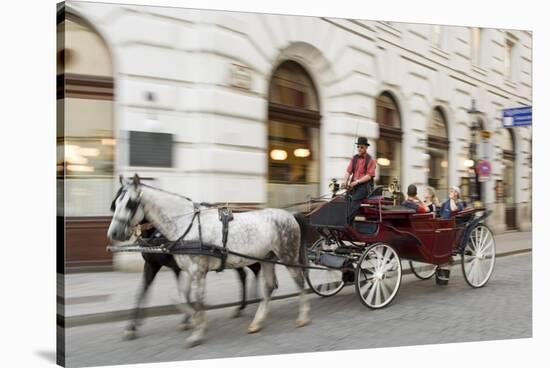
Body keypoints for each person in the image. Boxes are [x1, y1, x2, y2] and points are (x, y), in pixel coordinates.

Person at [343, 137, 376, 222]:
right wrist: (345, 181)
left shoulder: (370, 160)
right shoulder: (354, 159)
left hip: (365, 186)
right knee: (345, 199)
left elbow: (369, 176)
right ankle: (347, 220)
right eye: (358, 147)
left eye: (361, 147)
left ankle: (347, 223)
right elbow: (348, 171)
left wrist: (357, 182)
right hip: (354, 185)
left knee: (355, 200)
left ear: (366, 148)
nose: (359, 149)